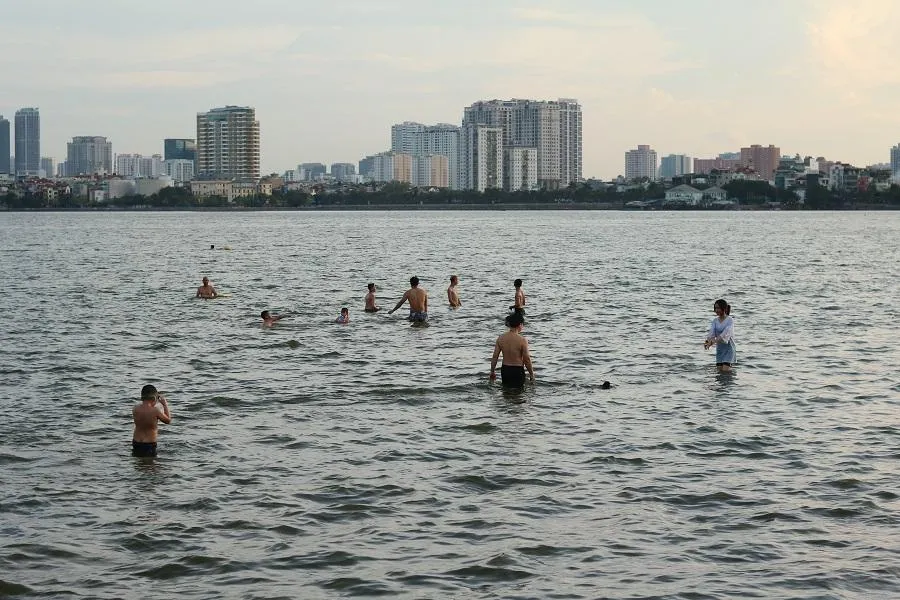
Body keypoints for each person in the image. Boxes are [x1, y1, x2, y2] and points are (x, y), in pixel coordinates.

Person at [490, 311, 534, 388]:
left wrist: (492, 371)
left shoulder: (500, 338)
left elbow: (495, 356)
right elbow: (527, 359)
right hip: (517, 370)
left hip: (505, 370)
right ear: (520, 324)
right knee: (519, 394)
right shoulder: (522, 340)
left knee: (506, 392)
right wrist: (531, 374)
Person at [132, 384, 172, 457]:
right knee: (150, 466)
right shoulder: (155, 411)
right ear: (154, 398)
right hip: (149, 444)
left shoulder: (135, 408)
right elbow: (168, 421)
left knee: (139, 464)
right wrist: (165, 404)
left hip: (136, 442)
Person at [704, 298, 736, 371]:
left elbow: (725, 334)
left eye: (718, 308)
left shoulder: (730, 320)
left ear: (724, 308)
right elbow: (711, 334)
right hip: (720, 349)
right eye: (715, 308)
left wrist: (712, 342)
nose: (716, 310)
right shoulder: (715, 321)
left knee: (725, 371)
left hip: (729, 348)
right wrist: (707, 342)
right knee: (720, 373)